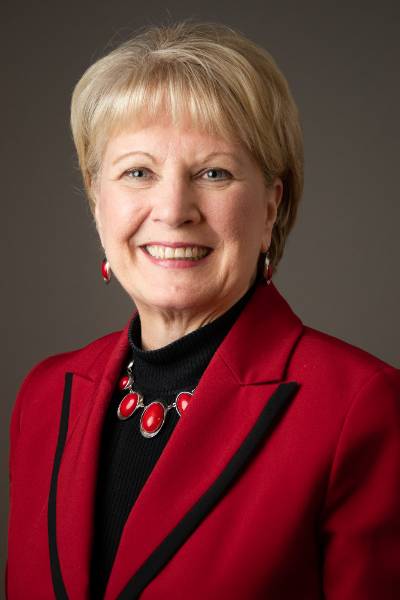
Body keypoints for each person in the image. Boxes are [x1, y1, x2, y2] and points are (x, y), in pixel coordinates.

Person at [6, 20, 400, 600]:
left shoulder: (361, 409)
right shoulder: (45, 398)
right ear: (96, 200)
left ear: (271, 206)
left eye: (213, 173)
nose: (173, 209)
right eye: (138, 172)